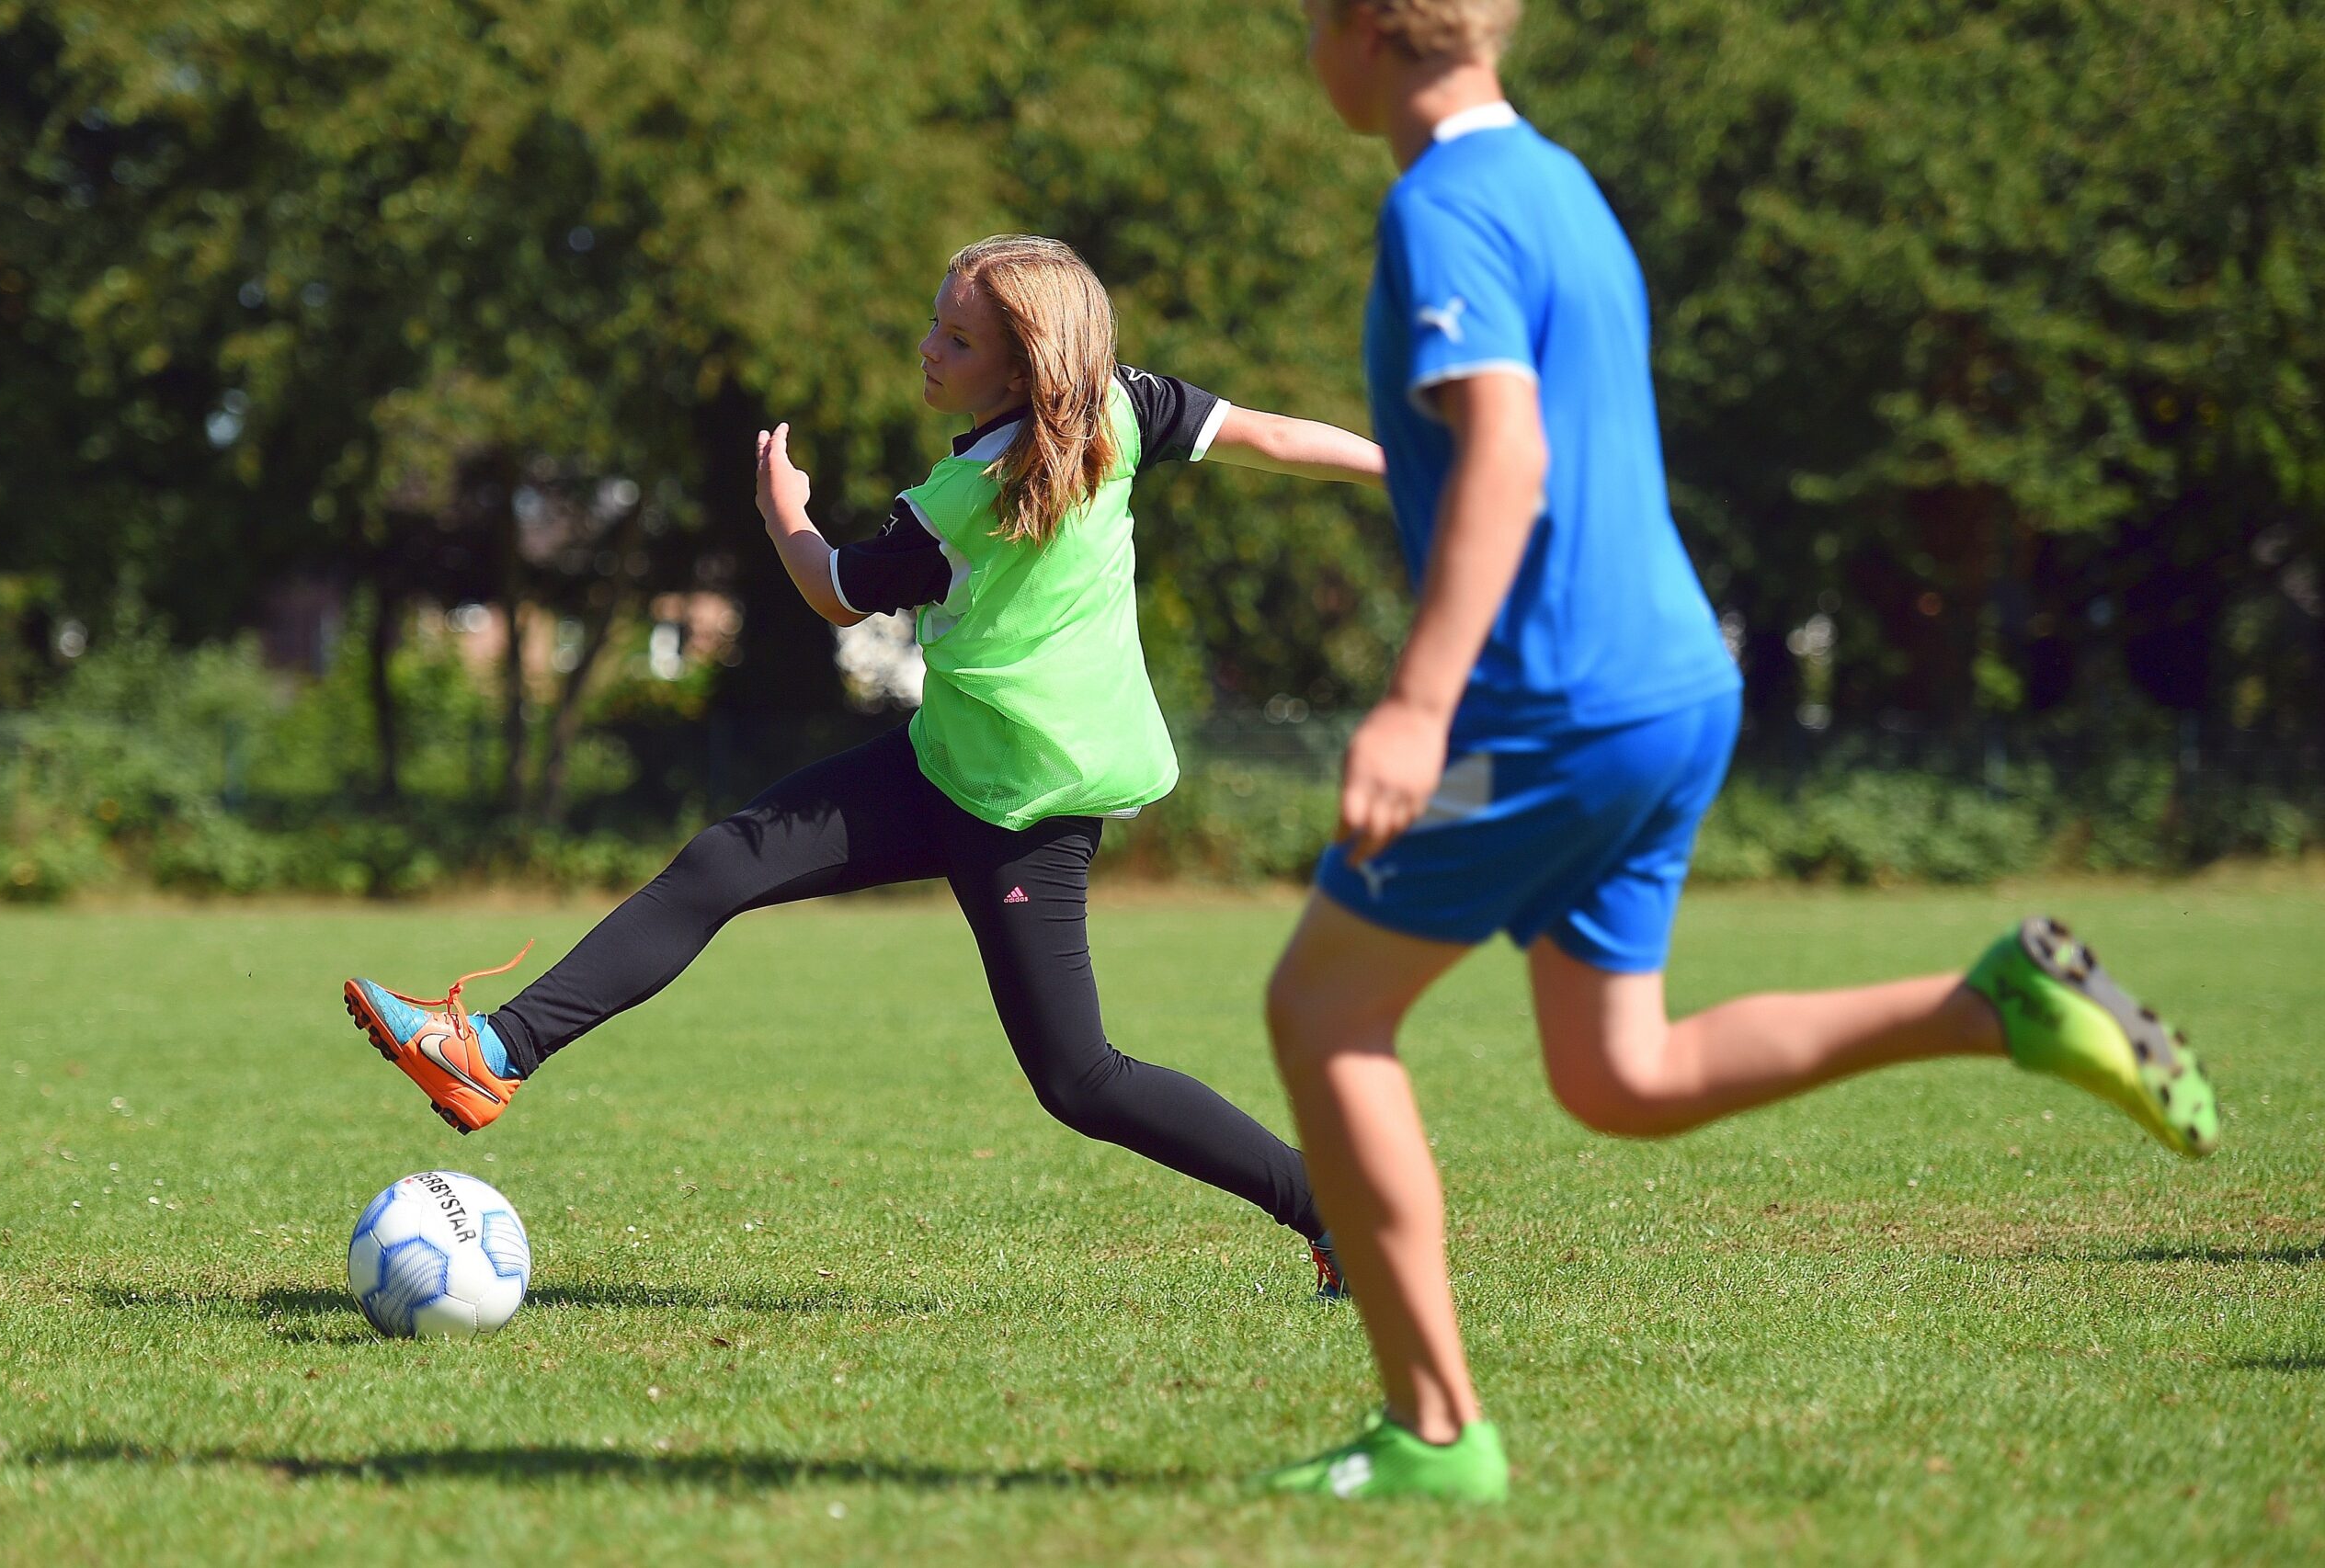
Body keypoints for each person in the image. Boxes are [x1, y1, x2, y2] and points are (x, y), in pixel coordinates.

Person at [1255, 0, 2220, 1500]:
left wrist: (1417, 702)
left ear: (1369, 32)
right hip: (1670, 687)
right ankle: (1995, 1005)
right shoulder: (1561, 183)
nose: (1300, 45)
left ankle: (1437, 1435)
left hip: (1540, 712)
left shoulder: (1443, 203)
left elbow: (1511, 450)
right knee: (1619, 1074)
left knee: (1321, 1009)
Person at [344, 234, 1387, 1291]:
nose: (929, 347)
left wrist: (781, 509)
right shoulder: (1121, 401)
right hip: (938, 765)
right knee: (720, 864)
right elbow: (1264, 434)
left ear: (1025, 367)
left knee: (1078, 1078)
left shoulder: (958, 504)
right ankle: (490, 1052)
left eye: (958, 337)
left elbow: (831, 589)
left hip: (1023, 808)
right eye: (936, 318)